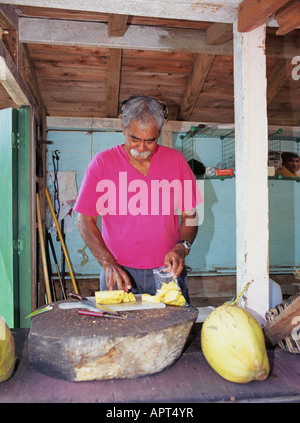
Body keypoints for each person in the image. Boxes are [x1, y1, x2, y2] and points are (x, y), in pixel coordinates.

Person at [74, 96, 203, 303]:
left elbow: (191, 215)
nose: (142, 148)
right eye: (135, 139)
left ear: (159, 133)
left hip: (167, 273)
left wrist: (182, 246)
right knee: (120, 333)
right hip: (118, 271)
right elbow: (84, 220)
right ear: (124, 129)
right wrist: (107, 262)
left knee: (173, 332)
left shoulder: (176, 161)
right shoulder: (102, 163)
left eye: (150, 141)